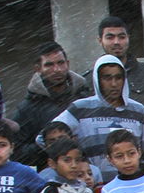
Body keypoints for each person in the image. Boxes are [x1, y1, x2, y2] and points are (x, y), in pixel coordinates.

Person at [52, 55, 144, 185]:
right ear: (97, 80)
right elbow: (46, 137)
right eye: (107, 78)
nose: (114, 84)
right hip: (92, 189)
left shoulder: (139, 111)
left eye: (118, 78)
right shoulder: (80, 109)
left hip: (131, 188)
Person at [93, 16, 144, 146]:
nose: (116, 42)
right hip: (101, 156)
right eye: (110, 37)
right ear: (100, 41)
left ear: (128, 38)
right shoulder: (89, 79)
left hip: (141, 156)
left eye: (121, 37)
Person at [12, 42, 90, 171]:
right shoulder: (28, 108)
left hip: (88, 174)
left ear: (68, 64)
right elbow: (16, 152)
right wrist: (48, 146)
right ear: (38, 68)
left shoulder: (85, 99)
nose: (57, 69)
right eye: (49, 65)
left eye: (61, 63)